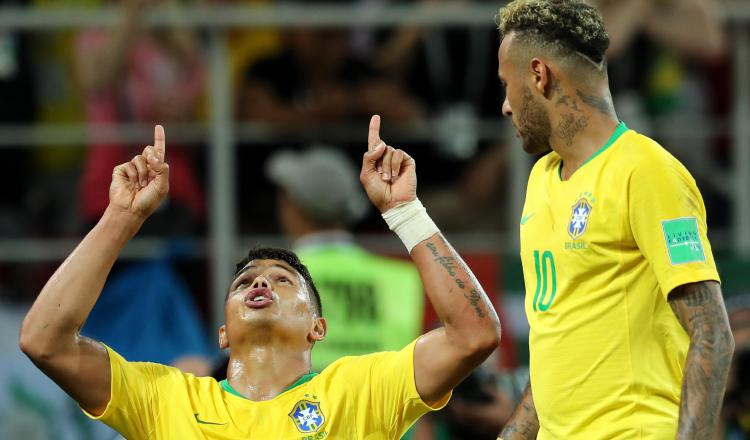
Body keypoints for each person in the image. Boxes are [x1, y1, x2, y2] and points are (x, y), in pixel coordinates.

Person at [18, 120, 501, 438]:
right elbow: (44, 341)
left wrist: (405, 211)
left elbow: (474, 335)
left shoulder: (358, 391)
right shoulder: (168, 400)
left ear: (319, 327)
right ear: (222, 332)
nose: (260, 283)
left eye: (285, 281)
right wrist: (120, 217)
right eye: (244, 280)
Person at [494, 1, 733, 439]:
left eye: (507, 85)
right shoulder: (540, 182)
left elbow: (712, 333)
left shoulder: (646, 171)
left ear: (539, 75)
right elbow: (559, 354)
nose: (506, 106)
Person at [266, 146, 425, 371]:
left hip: (299, 403)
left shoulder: (267, 278)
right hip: (383, 402)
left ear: (291, 206)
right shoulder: (403, 278)